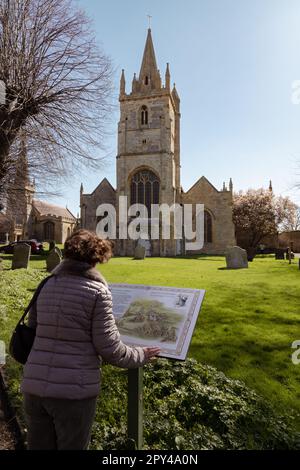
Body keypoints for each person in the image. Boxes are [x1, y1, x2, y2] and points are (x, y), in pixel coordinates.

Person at [21, 229, 160, 450]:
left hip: (34, 388)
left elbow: (33, 330)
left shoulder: (46, 285)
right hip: (73, 393)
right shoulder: (97, 292)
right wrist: (140, 354)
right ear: (96, 257)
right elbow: (109, 348)